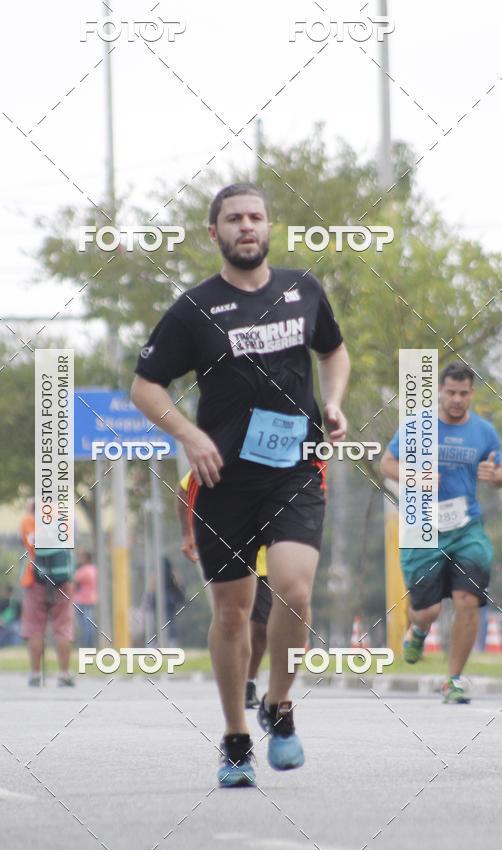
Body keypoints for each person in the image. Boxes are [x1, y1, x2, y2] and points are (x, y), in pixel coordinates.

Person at [132, 183, 349, 786]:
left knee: (294, 591)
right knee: (232, 614)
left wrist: (333, 401)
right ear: (215, 233)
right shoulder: (194, 309)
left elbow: (334, 352)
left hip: (295, 467)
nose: (246, 226)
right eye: (234, 219)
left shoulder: (303, 290)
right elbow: (145, 386)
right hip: (222, 477)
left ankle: (279, 703)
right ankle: (234, 737)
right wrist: (189, 436)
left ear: (269, 226)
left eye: (256, 216)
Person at [379, 362, 502, 703]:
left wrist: (496, 475)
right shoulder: (417, 426)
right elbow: (387, 464)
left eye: (463, 393)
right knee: (428, 611)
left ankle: (453, 680)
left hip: (466, 527)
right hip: (423, 526)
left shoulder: (484, 432)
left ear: (472, 394)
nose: (456, 399)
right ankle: (418, 629)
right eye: (451, 392)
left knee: (468, 601)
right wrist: (415, 476)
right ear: (439, 390)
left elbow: (501, 473)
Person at [177, 470, 271, 709]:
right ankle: (230, 682)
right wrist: (188, 533)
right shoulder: (224, 455)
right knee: (230, 618)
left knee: (261, 627)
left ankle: (248, 682)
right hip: (228, 549)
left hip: (266, 555)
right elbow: (184, 489)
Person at [19, 498, 76, 688]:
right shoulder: (64, 518)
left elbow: (29, 545)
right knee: (63, 627)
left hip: (35, 579)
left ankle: (36, 674)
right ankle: (64, 674)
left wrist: (31, 510)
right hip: (63, 581)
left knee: (35, 628)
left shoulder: (28, 520)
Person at [73, 550, 98, 648]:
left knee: (85, 625)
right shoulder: (94, 569)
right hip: (91, 599)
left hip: (82, 600)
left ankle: (86, 645)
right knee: (89, 623)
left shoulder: (83, 570)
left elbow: (74, 583)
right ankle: (90, 645)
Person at [0, 584, 22, 649]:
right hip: (12, 624)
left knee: (2, 639)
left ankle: (1, 647)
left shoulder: (2, 602)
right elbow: (20, 614)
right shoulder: (15, 602)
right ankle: (14, 648)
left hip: (6, 623)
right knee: (14, 638)